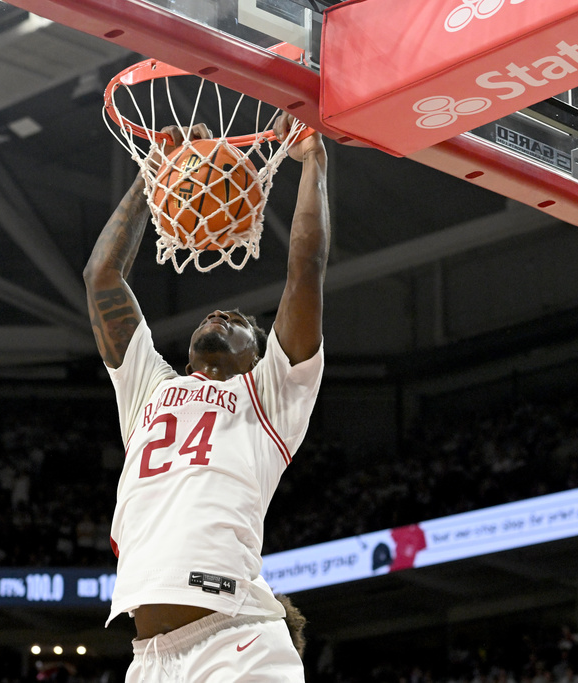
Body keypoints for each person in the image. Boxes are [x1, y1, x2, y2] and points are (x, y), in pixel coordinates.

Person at [83, 112, 329, 682]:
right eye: (214, 313)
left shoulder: (271, 394)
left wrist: (315, 162)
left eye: (242, 320)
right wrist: (153, 176)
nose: (220, 314)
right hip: (150, 658)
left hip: (234, 641)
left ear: (258, 354)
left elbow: (304, 270)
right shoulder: (151, 388)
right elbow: (102, 278)